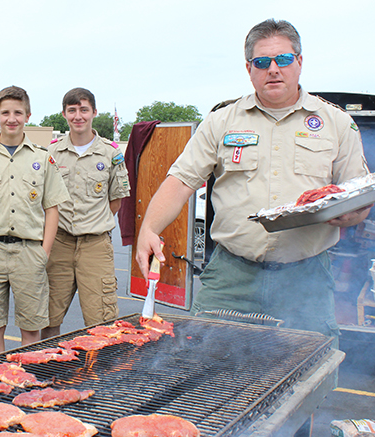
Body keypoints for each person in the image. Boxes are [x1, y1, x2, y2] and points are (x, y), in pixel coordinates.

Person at [135, 19, 370, 342]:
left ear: (299, 63)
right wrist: (149, 229)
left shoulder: (336, 123)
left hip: (306, 276)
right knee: (201, 361)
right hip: (232, 274)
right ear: (249, 69)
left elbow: (357, 193)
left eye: (283, 59)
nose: (273, 69)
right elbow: (180, 181)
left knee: (308, 366)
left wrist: (353, 214)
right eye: (262, 62)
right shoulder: (222, 121)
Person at [0, 86, 69, 355]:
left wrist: (43, 253)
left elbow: (52, 209)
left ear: (28, 115)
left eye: (18, 113)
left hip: (29, 252)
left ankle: (28, 386)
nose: (12, 118)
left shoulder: (42, 157)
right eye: (6, 113)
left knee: (31, 328)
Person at [42, 88, 130, 339]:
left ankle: (101, 375)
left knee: (102, 320)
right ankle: (48, 369)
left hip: (95, 245)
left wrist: (93, 222)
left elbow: (116, 200)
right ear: (64, 114)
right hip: (59, 242)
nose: (77, 116)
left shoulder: (111, 154)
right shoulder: (51, 153)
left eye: (83, 109)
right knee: (48, 317)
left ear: (94, 112)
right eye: (72, 110)